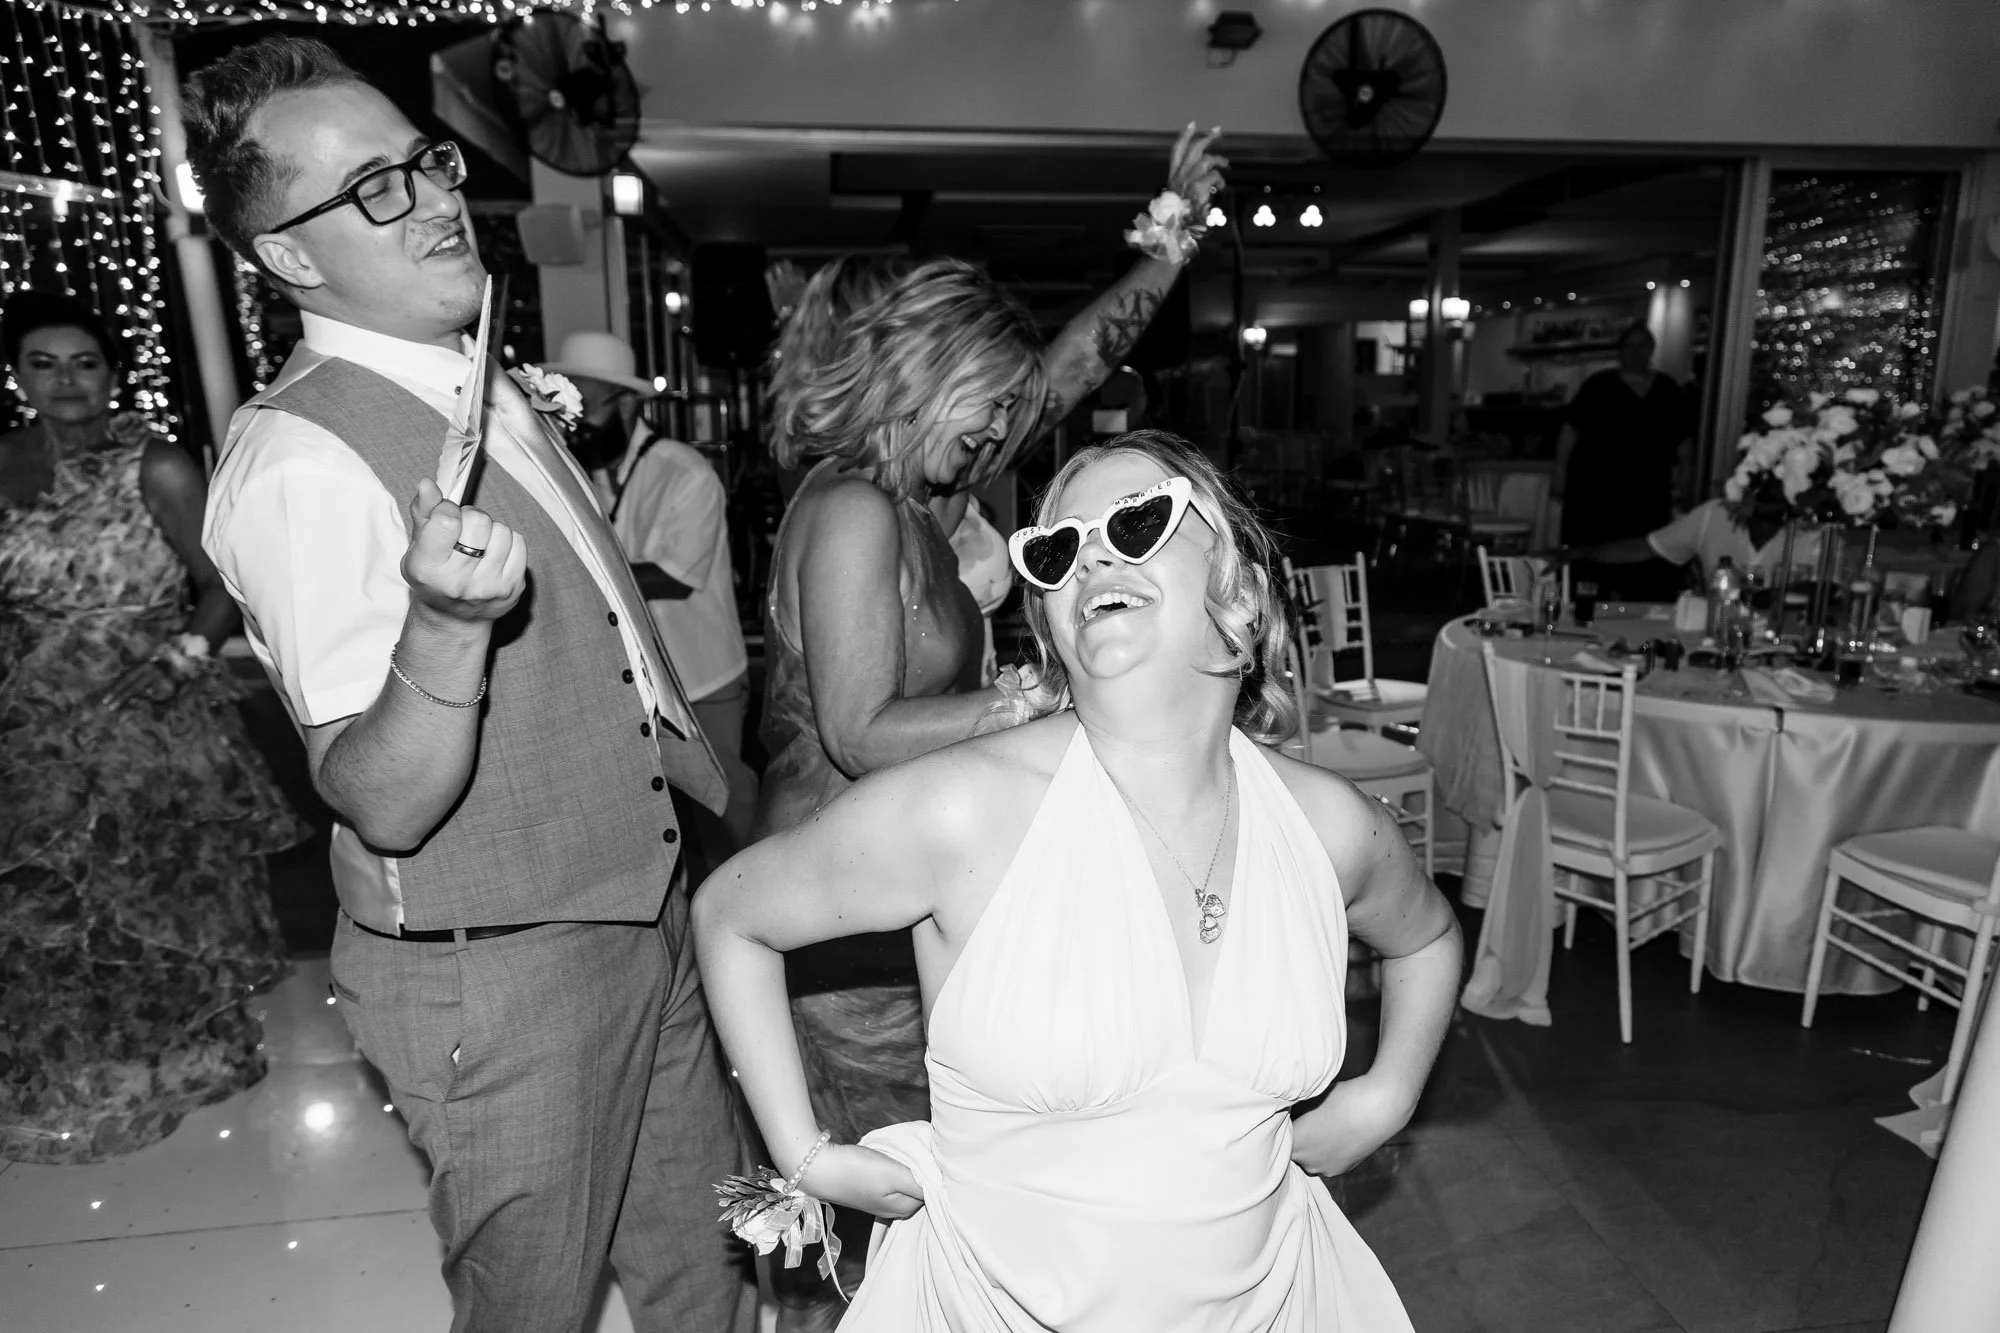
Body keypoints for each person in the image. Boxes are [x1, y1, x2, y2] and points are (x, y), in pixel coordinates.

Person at [184, 37, 749, 1332]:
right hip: (493, 969)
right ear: (289, 256)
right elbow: (380, 801)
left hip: (637, 903)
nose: (437, 197)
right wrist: (445, 623)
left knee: (701, 1263)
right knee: (533, 1304)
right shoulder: (301, 463)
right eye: (374, 187)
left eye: (427, 163)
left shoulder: (476, 373)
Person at [695, 430, 1461, 1330]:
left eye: (1136, 522)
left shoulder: (1329, 823)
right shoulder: (962, 809)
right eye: (1055, 548)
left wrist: (1389, 1092)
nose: (1091, 552)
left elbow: (1430, 937)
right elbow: (731, 914)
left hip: (1276, 1303)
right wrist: (804, 1147)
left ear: (1242, 596)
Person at [756, 128, 1225, 1327]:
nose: (1008, 424)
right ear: (920, 372)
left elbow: (1070, 366)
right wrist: (1045, 703)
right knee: (885, 1208)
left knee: (952, 1192)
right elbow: (862, 730)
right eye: (989, 402)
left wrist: (1168, 237)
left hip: (914, 893)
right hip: (842, 930)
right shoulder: (857, 507)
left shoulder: (930, 486)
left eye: (1010, 408)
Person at [0, 290, 306, 1163]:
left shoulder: (158, 466)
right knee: (41, 910)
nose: (65, 381)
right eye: (43, 363)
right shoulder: (4, 463)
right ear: (17, 374)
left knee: (151, 899)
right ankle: (66, 1074)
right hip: (30, 723)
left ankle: (164, 1063)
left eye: (84, 362)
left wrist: (178, 661)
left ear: (113, 373)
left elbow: (225, 582)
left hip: (146, 720)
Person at [551, 330, 759, 852]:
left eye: (586, 408)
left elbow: (676, 578)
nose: (575, 425)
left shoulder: (685, 472)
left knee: (726, 819)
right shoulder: (576, 473)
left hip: (700, 676)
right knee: (659, 830)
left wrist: (572, 569)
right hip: (629, 683)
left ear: (626, 404)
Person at [1553, 324, 1693, 600]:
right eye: (1630, 345)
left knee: (1644, 556)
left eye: (1642, 345)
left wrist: (1685, 477)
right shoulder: (1599, 384)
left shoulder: (1667, 387)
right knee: (1591, 556)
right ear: (1620, 351)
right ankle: (1583, 611)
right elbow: (1570, 430)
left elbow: (1684, 438)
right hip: (1596, 488)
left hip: (1646, 489)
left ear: (1651, 349)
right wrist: (1559, 472)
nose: (1636, 352)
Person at [1544, 488, 1820, 589]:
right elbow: (1646, 547)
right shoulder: (1715, 515)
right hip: (1720, 635)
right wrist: (1574, 553)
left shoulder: (1813, 532)